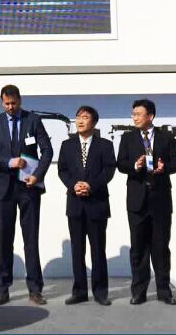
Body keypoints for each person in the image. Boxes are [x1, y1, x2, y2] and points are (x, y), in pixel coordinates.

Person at [0, 84, 53, 306]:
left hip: (28, 187)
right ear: (1, 102)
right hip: (2, 187)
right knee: (5, 238)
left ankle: (35, 289)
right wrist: (9, 162)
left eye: (14, 103)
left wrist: (38, 175)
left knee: (31, 239)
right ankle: (3, 288)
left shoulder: (33, 120)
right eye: (7, 103)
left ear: (20, 101)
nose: (11, 107)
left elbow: (47, 150)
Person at [117, 98, 176, 306]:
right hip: (137, 199)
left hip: (160, 199)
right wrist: (135, 166)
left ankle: (164, 291)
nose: (134, 117)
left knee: (161, 247)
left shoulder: (166, 137)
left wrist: (165, 168)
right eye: (133, 114)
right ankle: (139, 292)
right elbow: (121, 164)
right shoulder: (128, 138)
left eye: (138, 114)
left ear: (150, 116)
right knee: (138, 248)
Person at [58, 105, 116, 306]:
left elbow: (108, 171)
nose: (80, 121)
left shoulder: (105, 145)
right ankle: (79, 291)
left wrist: (90, 186)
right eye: (78, 117)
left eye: (85, 117)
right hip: (75, 203)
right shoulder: (67, 145)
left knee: (98, 249)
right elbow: (62, 170)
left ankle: (100, 292)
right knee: (77, 250)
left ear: (94, 122)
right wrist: (74, 185)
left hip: (97, 203)